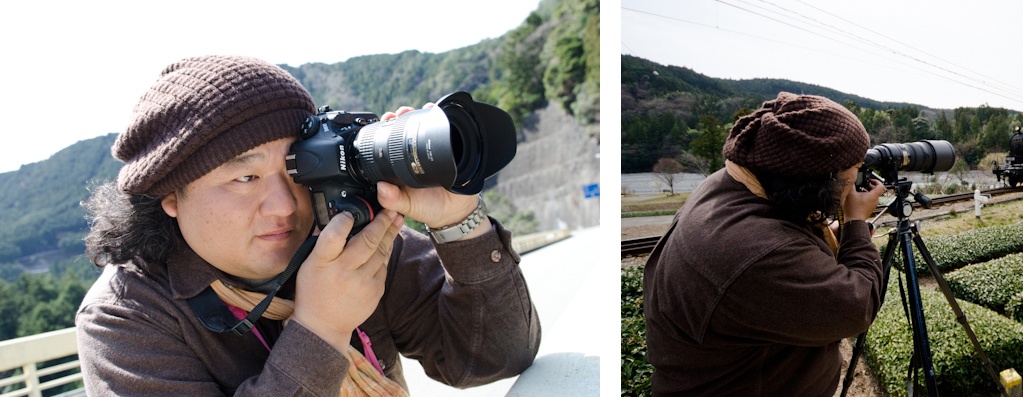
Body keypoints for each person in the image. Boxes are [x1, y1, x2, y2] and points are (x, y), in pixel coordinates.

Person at [74, 55, 540, 396]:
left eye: (297, 170)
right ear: (171, 196)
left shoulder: (348, 237)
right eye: (245, 177)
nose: (283, 205)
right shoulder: (125, 317)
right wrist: (320, 329)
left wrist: (461, 222)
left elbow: (492, 358)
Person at [643, 92, 887, 396]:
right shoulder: (756, 251)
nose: (858, 175)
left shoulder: (729, 185)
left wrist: (827, 235)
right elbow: (858, 305)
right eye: (854, 166)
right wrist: (855, 222)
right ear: (815, 178)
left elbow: (781, 228)